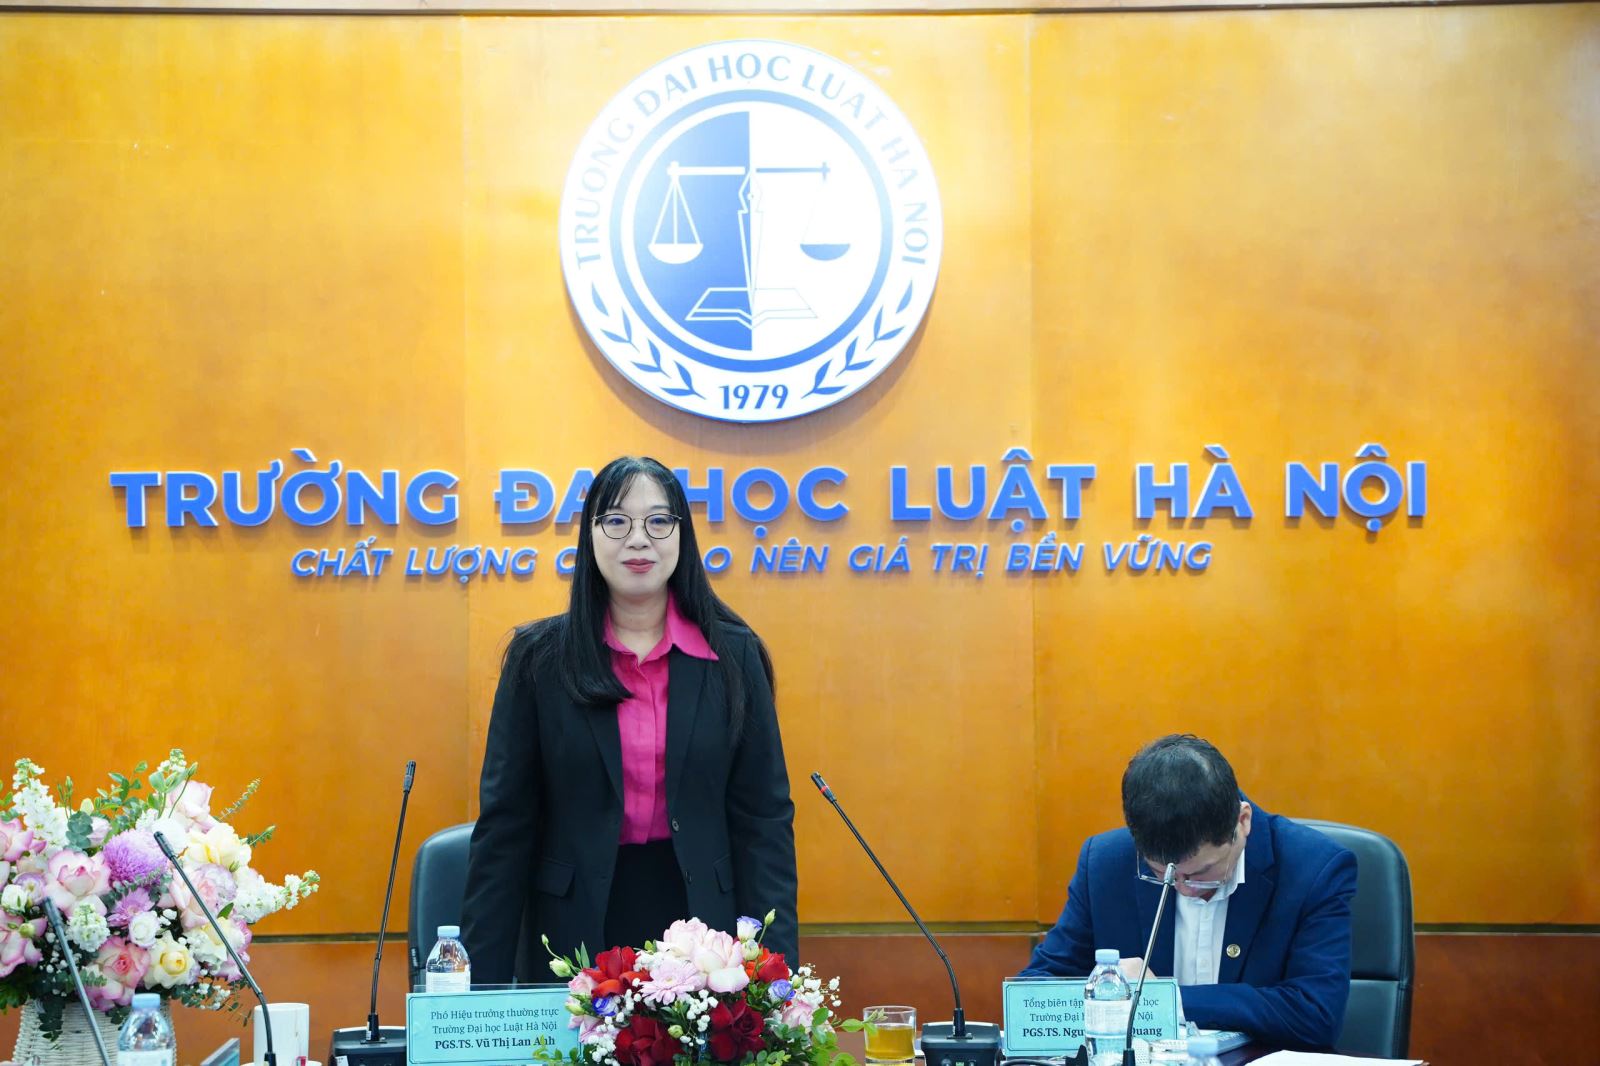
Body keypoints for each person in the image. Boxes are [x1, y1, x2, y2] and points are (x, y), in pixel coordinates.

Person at [462, 456, 798, 982]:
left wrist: (775, 978)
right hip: (574, 929)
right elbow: (505, 828)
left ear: (682, 534)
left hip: (705, 932)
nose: (638, 539)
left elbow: (764, 824)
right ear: (590, 536)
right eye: (616, 521)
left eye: (658, 521)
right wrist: (478, 988)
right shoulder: (539, 660)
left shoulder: (733, 657)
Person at [1021, 735, 1357, 1051]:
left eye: (1202, 872)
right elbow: (1036, 989)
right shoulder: (1106, 863)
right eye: (1161, 875)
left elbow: (1316, 1014)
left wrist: (1165, 1000)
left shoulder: (1314, 869)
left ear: (1242, 822)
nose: (1185, 888)